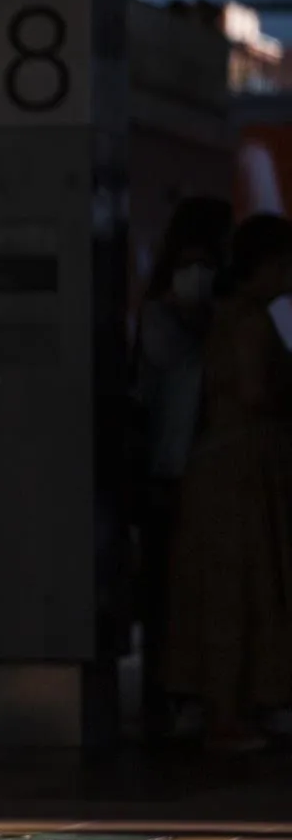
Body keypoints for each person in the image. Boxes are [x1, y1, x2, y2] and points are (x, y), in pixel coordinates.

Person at [166, 213, 292, 753]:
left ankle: (227, 707)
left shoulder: (228, 317)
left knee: (229, 586)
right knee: (238, 587)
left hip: (227, 465)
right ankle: (227, 712)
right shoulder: (248, 322)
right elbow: (256, 392)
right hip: (241, 470)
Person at [132, 197, 232, 739]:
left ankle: (189, 692)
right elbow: (181, 370)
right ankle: (170, 695)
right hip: (171, 467)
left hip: (198, 464)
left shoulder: (214, 317)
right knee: (166, 589)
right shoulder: (161, 318)